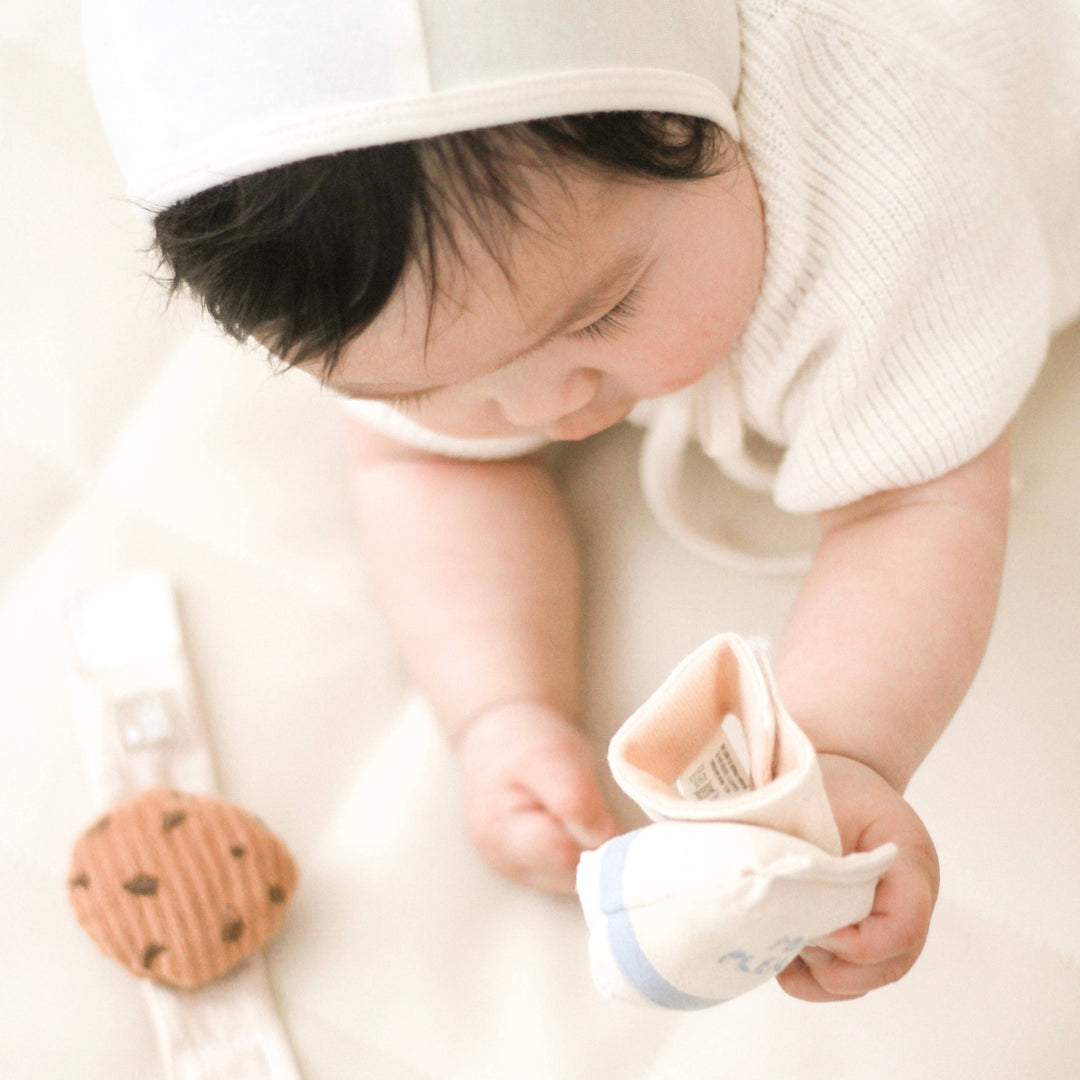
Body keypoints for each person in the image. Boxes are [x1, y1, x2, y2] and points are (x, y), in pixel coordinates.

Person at [82, 0, 1080, 1003]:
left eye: (602, 312)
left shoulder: (887, 191)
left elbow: (913, 503)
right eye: (421, 386)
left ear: (702, 116)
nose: (544, 406)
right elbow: (421, 466)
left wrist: (831, 766)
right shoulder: (399, 291)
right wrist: (500, 708)